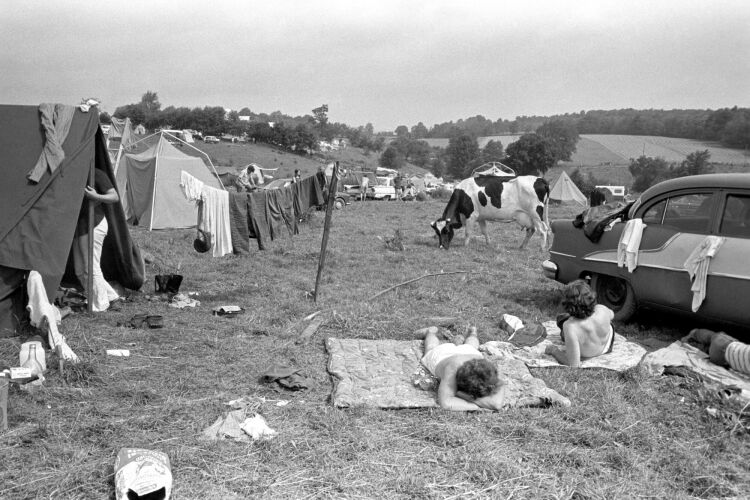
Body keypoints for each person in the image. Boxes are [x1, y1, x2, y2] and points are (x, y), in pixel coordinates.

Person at [421, 326, 507, 411]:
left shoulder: (488, 371)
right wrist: (477, 407)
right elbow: (446, 403)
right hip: (442, 355)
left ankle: (473, 332)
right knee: (431, 348)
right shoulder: (452, 369)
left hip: (469, 352)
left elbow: (497, 403)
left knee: (471, 347)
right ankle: (430, 332)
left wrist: (464, 396)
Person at [74, 168, 121, 312]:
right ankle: (111, 296)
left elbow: (114, 197)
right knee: (80, 270)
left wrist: (96, 197)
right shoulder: (73, 172)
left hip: (94, 223)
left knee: (90, 267)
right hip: (81, 227)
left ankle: (100, 304)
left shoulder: (96, 173)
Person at [545, 280, 615, 367]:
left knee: (561, 319)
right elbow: (612, 315)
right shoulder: (601, 309)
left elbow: (574, 364)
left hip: (588, 352)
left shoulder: (570, 326)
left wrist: (554, 351)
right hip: (606, 347)